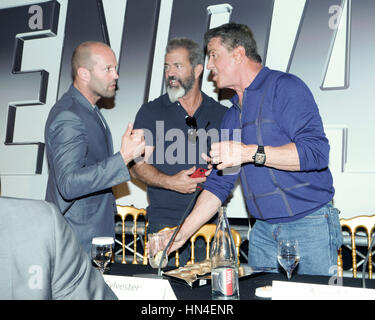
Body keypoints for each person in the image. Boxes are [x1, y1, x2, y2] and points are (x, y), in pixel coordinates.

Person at [166, 23, 343, 276]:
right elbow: (219, 186)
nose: (209, 66)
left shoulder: (285, 87)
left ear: (239, 54)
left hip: (309, 225)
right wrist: (180, 235)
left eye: (214, 54)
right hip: (261, 233)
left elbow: (316, 152)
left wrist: (248, 152)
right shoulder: (231, 116)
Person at [130, 38, 227, 266]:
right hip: (161, 224)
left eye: (178, 66)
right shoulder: (150, 111)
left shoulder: (223, 114)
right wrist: (170, 182)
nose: (170, 73)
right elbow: (136, 166)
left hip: (207, 226)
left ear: (198, 69)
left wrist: (217, 171)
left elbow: (231, 171)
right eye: (166, 67)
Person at [45, 41, 145, 255]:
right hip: (76, 243)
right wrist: (123, 157)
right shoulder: (69, 116)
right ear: (83, 74)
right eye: (108, 69)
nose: (116, 75)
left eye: (115, 68)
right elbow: (69, 184)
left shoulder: (88, 110)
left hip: (88, 238)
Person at [0, 195, 117, 299]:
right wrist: (123, 169)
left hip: (71, 265)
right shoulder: (41, 220)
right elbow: (68, 184)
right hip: (74, 237)